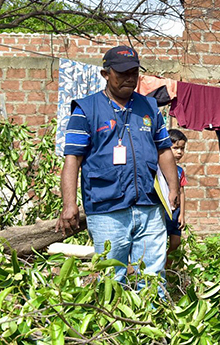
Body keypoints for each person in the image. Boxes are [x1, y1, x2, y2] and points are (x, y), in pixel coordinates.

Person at [56, 45, 180, 288]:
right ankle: (114, 325)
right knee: (112, 278)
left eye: (134, 72)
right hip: (107, 208)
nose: (129, 78)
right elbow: (73, 159)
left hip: (149, 204)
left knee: (153, 276)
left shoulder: (150, 107)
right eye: (122, 73)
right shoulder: (86, 109)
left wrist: (173, 188)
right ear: (106, 74)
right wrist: (69, 204)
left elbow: (164, 149)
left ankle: (153, 319)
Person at [165, 129, 188, 269]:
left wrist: (182, 214)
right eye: (175, 148)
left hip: (175, 213)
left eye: (182, 149)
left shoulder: (180, 171)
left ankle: (167, 267)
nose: (179, 152)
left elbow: (182, 192)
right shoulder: (160, 170)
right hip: (164, 212)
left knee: (176, 242)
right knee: (160, 242)